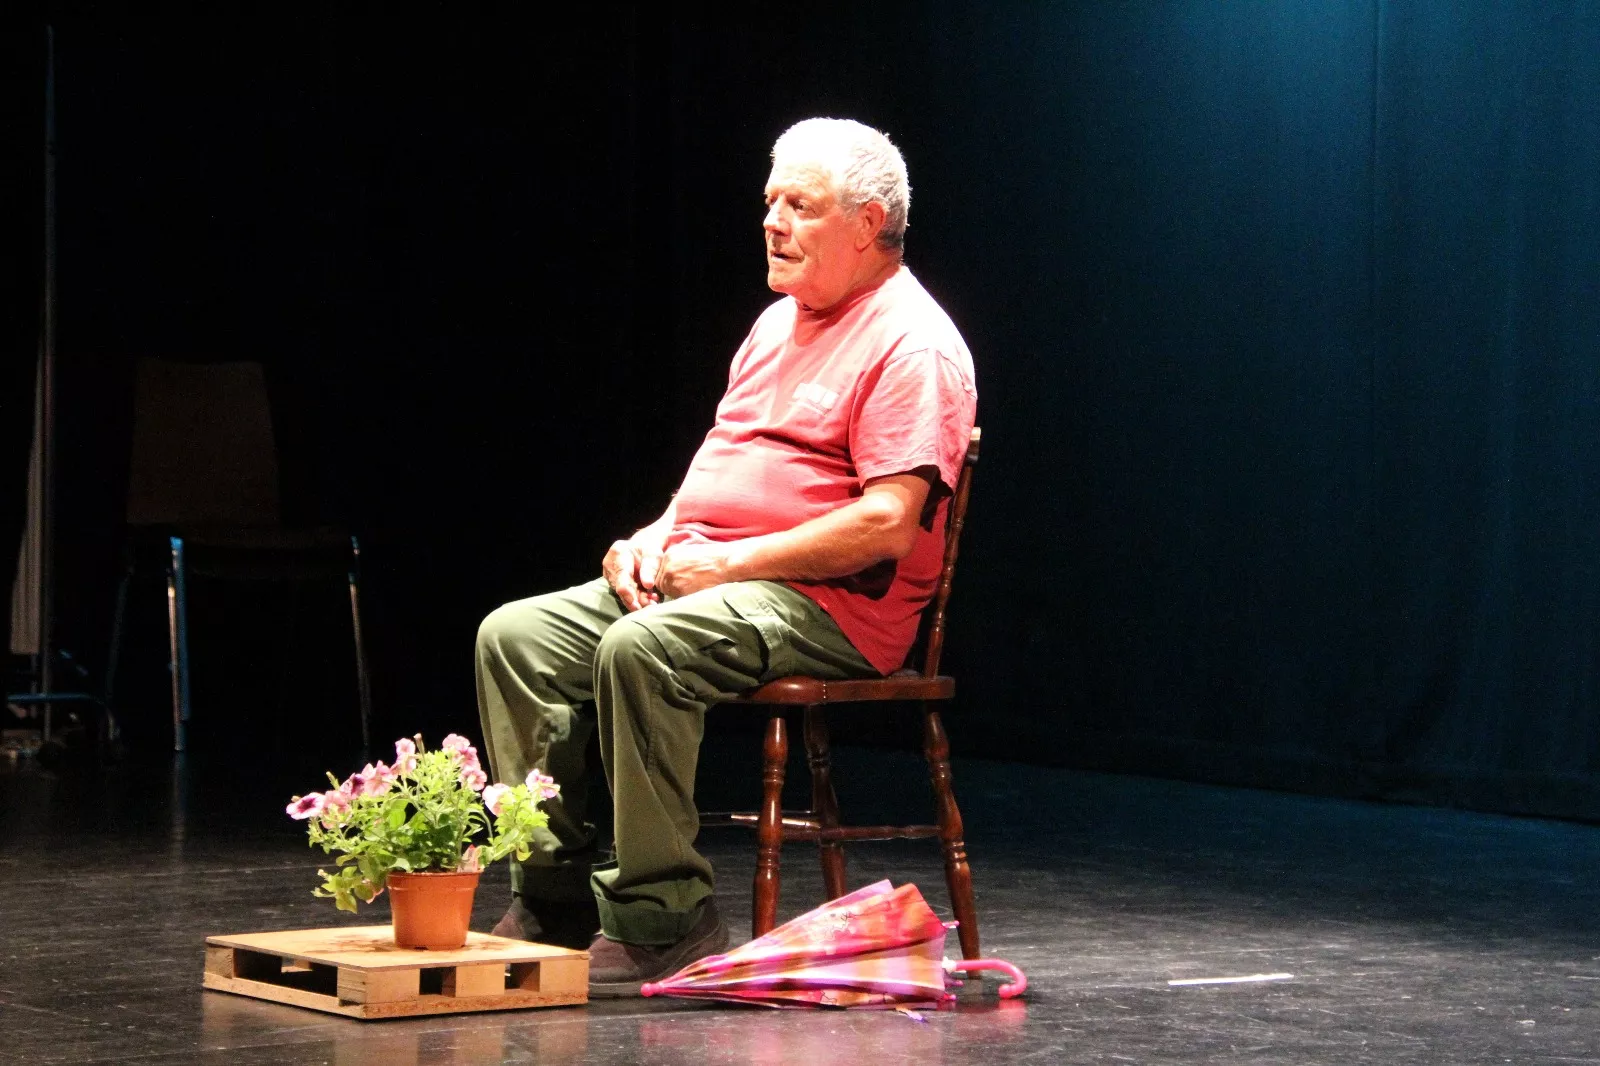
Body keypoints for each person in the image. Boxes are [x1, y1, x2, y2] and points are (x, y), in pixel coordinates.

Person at [475, 117, 977, 996]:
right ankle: (555, 896)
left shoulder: (913, 343)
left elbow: (887, 525)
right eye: (770, 202)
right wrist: (653, 538)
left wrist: (727, 565)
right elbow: (719, 469)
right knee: (515, 638)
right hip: (712, 573)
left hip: (831, 605)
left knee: (643, 649)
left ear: (867, 223)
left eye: (800, 206)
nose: (772, 222)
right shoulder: (777, 323)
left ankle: (663, 917)